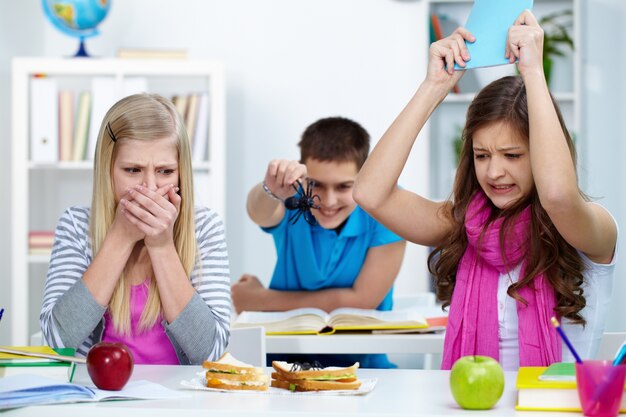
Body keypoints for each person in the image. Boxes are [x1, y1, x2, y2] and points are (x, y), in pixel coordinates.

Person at [353, 10, 618, 371]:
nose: (494, 172)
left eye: (512, 155)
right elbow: (370, 192)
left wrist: (534, 74)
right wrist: (434, 86)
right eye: (482, 155)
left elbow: (556, 195)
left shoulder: (591, 227)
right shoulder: (464, 223)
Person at [40, 93, 231, 365]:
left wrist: (162, 246)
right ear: (108, 170)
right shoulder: (76, 225)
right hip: (97, 400)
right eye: (132, 170)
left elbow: (209, 351)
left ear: (181, 173)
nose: (150, 188)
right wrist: (119, 238)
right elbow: (59, 340)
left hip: (183, 402)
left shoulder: (204, 228)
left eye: (165, 171)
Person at [231, 116, 406, 368]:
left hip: (363, 365)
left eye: (344, 187)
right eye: (317, 185)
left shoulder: (385, 209)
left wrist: (260, 300)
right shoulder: (293, 200)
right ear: (303, 177)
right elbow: (257, 211)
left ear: (365, 177)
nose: (329, 200)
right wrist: (270, 189)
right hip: (282, 363)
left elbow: (361, 301)